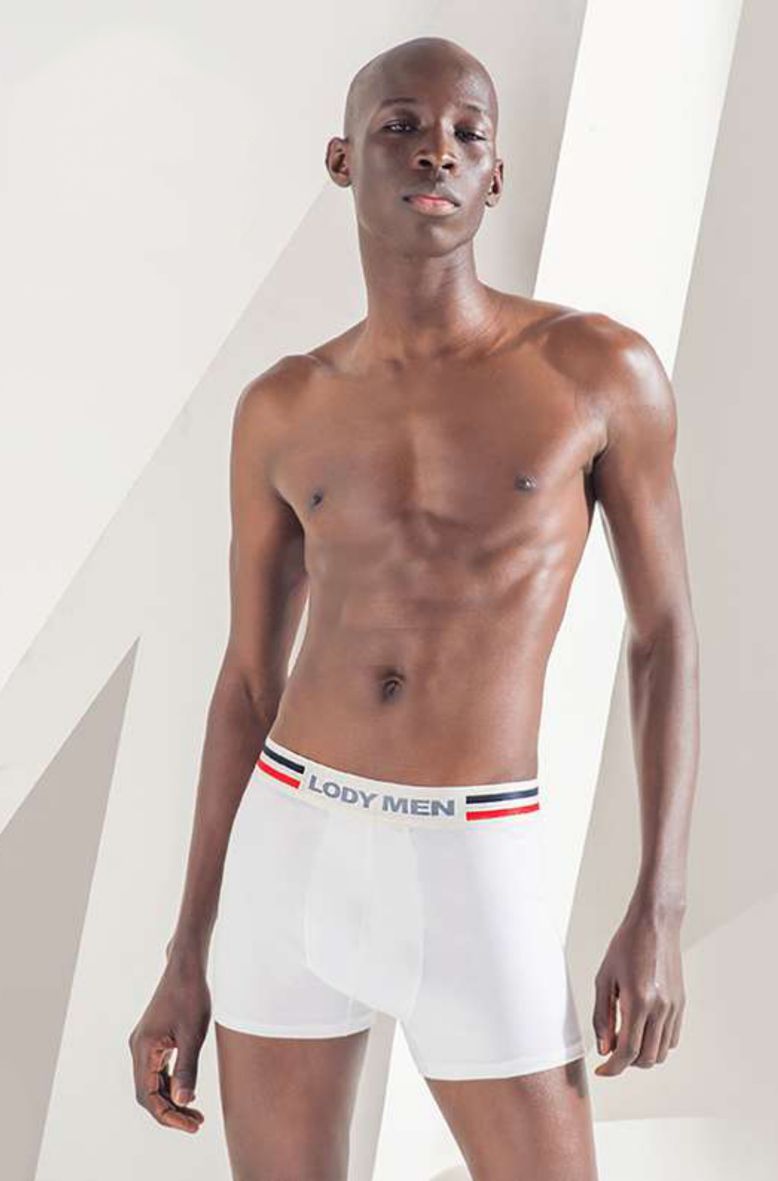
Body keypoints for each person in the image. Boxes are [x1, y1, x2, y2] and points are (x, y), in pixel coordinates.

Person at [128, 35, 699, 1180]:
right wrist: (186, 949)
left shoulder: (596, 372)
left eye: (465, 133)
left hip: (474, 862)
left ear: (496, 175)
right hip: (289, 854)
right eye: (401, 125)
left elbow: (664, 636)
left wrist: (660, 905)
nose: (436, 149)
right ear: (343, 158)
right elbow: (249, 681)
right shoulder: (284, 405)